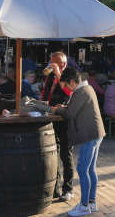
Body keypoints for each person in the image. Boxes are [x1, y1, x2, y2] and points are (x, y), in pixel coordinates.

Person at [53, 67, 106, 216]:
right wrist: (64, 107)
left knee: (83, 169)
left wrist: (56, 110)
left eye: (66, 85)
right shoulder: (87, 88)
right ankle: (91, 202)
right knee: (90, 169)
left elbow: (70, 113)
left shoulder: (81, 92)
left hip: (90, 134)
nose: (67, 89)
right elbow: (73, 108)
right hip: (96, 133)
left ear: (71, 81)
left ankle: (84, 206)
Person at [42, 51, 75, 202]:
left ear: (62, 63)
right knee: (52, 152)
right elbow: (45, 94)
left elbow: (70, 92)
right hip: (51, 117)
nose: (51, 65)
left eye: (53, 63)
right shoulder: (50, 76)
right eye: (50, 62)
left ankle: (68, 189)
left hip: (66, 120)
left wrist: (58, 73)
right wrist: (41, 105)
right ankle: (54, 188)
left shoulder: (71, 75)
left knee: (65, 155)